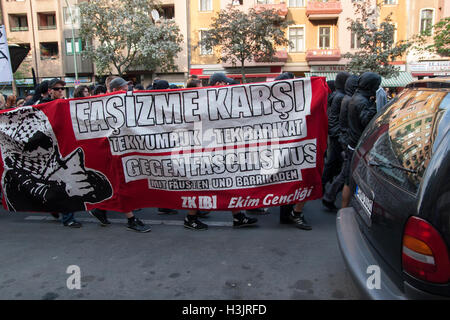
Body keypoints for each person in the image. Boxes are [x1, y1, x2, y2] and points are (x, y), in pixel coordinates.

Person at [183, 72, 258, 230]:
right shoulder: (202, 102)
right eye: (225, 84)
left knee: (228, 180)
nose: (227, 86)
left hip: (217, 148)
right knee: (198, 184)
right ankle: (190, 218)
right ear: (218, 84)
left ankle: (238, 216)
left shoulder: (215, 100)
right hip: (202, 149)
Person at [89, 77, 151, 232]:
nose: (127, 91)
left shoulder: (123, 103)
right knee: (121, 184)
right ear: (116, 90)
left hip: (123, 149)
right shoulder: (105, 104)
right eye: (124, 89)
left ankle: (100, 209)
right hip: (114, 150)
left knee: (118, 184)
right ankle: (131, 219)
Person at [344, 72, 381, 208]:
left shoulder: (356, 97)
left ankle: (345, 208)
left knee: (348, 179)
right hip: (358, 146)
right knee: (352, 180)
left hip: (352, 143)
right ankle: (347, 209)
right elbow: (366, 121)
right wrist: (373, 106)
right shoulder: (363, 102)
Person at [323, 75, 359, 209]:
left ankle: (326, 192)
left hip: (337, 135)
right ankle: (326, 191)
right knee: (335, 164)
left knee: (335, 164)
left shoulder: (340, 96)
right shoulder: (342, 98)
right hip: (338, 136)